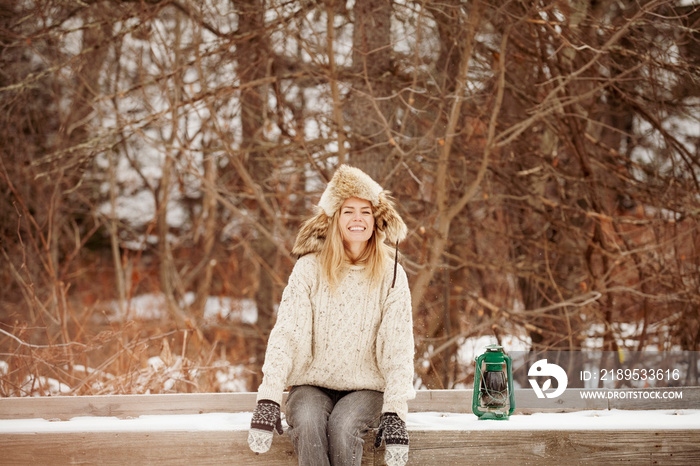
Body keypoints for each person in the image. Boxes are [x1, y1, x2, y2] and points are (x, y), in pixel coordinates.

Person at [247, 165, 416, 466]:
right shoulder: (308, 269)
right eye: (348, 211)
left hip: (366, 388)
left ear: (376, 220)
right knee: (309, 422)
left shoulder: (392, 275)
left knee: (343, 426)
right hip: (312, 384)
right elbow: (287, 333)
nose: (357, 219)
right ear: (335, 218)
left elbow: (398, 347)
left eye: (365, 212)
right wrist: (269, 396)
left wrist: (395, 412)